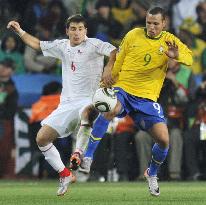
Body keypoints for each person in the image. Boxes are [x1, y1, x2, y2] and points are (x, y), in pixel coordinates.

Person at [73, 7, 193, 196]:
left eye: (155, 24)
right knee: (110, 110)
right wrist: (108, 76)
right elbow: (119, 59)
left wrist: (176, 55)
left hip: (147, 97)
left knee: (164, 140)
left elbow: (190, 58)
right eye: (149, 23)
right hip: (124, 88)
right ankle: (88, 156)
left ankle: (152, 173)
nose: (151, 27)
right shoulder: (133, 35)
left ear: (164, 23)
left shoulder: (169, 40)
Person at [7, 14, 116, 196]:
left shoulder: (94, 44)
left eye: (80, 29)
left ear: (85, 31)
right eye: (73, 29)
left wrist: (109, 67)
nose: (77, 33)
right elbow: (36, 44)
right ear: (67, 31)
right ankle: (64, 174)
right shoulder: (62, 47)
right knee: (42, 138)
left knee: (88, 113)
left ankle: (78, 154)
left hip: (90, 99)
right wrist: (19, 31)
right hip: (67, 104)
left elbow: (115, 51)